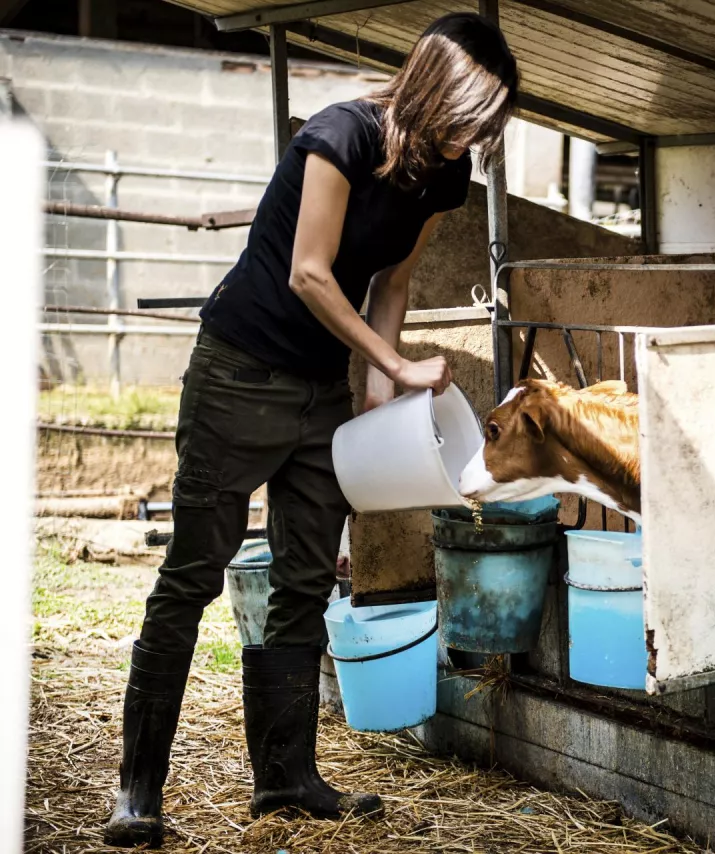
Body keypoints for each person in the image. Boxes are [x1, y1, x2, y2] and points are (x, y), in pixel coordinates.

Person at [104, 13, 518, 848]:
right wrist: (397, 366)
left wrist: (378, 392)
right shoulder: (340, 136)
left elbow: (390, 283)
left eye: (488, 124)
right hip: (238, 372)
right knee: (193, 574)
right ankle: (138, 791)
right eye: (471, 116)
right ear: (435, 88)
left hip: (320, 391)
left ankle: (285, 778)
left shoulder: (443, 177)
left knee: (304, 582)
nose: (475, 137)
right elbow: (309, 273)